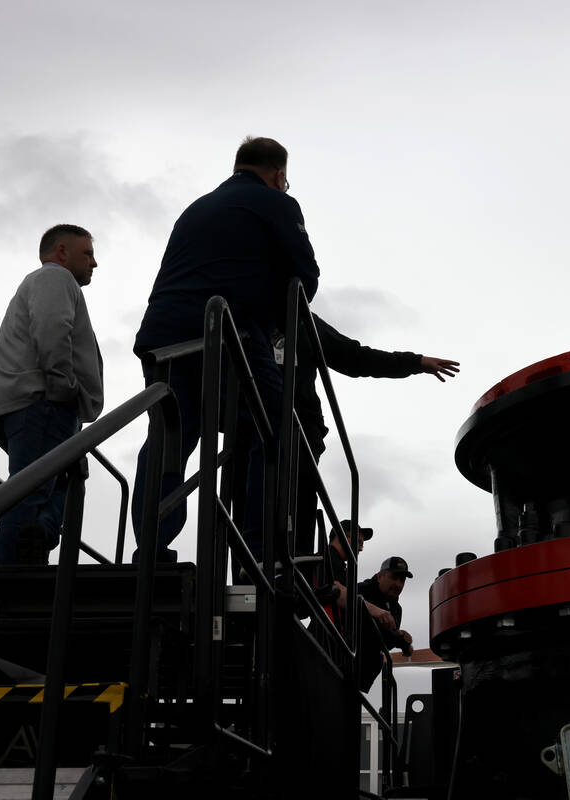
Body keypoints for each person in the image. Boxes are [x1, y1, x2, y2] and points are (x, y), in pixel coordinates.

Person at [131, 137, 319, 562]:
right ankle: (258, 551)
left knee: (170, 437)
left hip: (165, 337)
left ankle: (152, 549)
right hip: (228, 334)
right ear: (279, 175)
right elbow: (305, 279)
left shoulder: (196, 208)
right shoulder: (278, 203)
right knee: (274, 430)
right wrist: (275, 328)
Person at [0, 224, 103, 565]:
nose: (94, 262)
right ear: (62, 252)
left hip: (41, 403)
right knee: (30, 492)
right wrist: (65, 388)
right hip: (43, 401)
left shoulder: (45, 282)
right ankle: (13, 587)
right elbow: (52, 329)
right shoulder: (55, 278)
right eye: (87, 253)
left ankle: (40, 537)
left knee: (61, 481)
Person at [289, 315, 459, 553]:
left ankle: (293, 570)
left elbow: (355, 357)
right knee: (249, 495)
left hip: (299, 434)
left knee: (297, 502)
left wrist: (415, 363)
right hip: (251, 425)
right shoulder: (240, 309)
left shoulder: (303, 320)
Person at [357, 556, 415, 658]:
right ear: (379, 577)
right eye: (394, 577)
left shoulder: (397, 609)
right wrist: (400, 638)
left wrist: (402, 639)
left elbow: (387, 643)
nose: (398, 584)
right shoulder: (359, 591)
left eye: (402, 580)